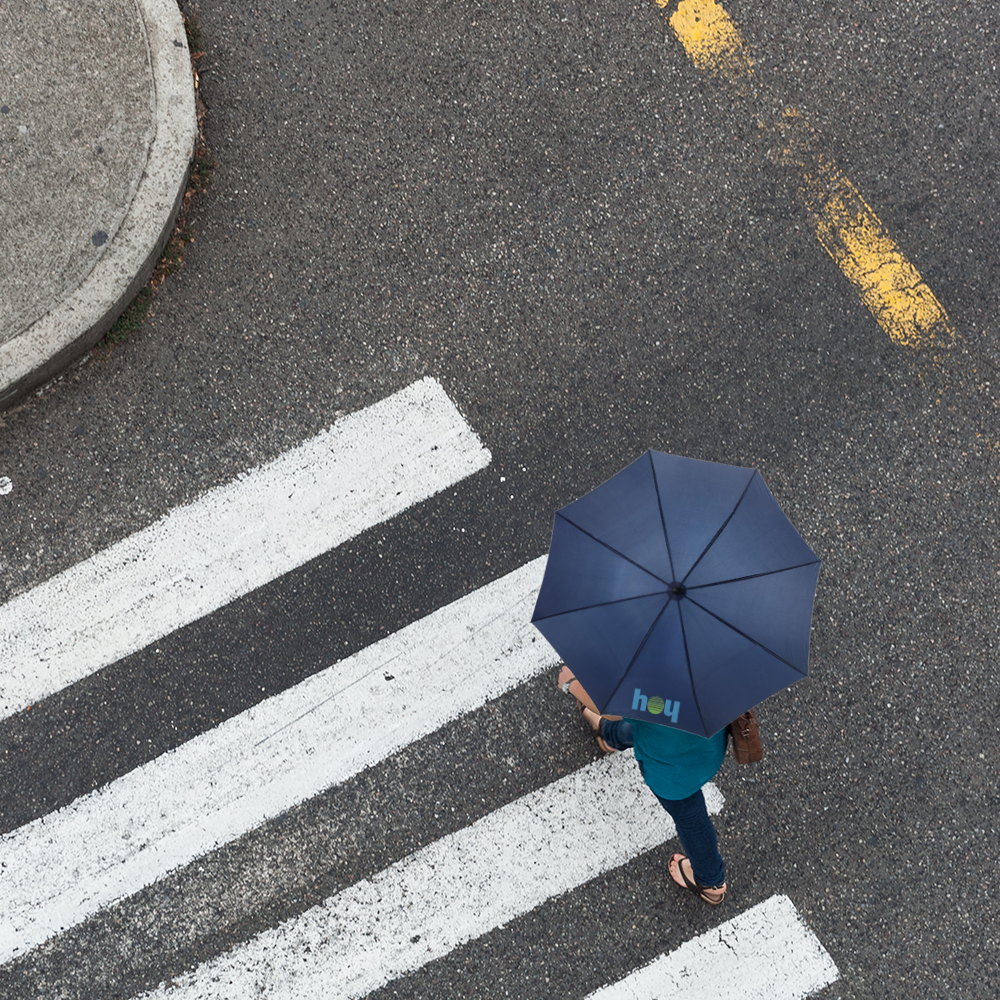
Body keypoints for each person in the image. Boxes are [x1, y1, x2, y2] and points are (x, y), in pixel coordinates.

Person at [558, 666, 728, 905]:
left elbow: (615, 708)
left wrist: (572, 685)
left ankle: (711, 881)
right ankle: (609, 735)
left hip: (673, 770)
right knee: (645, 720)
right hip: (708, 746)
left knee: (691, 819)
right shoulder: (712, 663)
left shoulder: (652, 687)